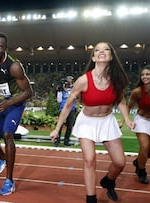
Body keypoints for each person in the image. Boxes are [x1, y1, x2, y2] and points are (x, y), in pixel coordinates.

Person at [49, 42, 135, 203]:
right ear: (94, 57)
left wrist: (128, 119)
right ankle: (91, 198)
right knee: (89, 159)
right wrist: (57, 129)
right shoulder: (83, 81)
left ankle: (108, 180)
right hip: (87, 122)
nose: (101, 51)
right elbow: (68, 106)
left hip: (107, 122)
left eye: (106, 49)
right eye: (97, 50)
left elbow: (121, 101)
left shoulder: (116, 80)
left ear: (111, 56)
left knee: (120, 162)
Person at [0, 32, 33, 196]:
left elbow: (28, 92)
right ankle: (3, 157)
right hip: (1, 101)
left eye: (0, 47)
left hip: (15, 102)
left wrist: (9, 103)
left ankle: (9, 181)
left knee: (7, 134)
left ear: (6, 48)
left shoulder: (14, 66)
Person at [55, 75, 77, 147]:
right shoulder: (61, 89)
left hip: (72, 109)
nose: (67, 82)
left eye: (69, 80)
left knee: (69, 126)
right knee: (60, 125)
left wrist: (66, 91)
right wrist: (59, 91)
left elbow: (75, 97)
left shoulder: (74, 89)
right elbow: (59, 100)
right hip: (62, 109)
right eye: (67, 80)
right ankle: (57, 141)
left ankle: (66, 141)